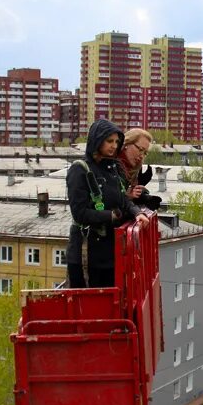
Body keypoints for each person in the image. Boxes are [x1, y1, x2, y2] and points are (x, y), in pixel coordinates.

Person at [66, 120, 138, 289]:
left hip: (109, 253)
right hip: (87, 253)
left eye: (117, 142)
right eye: (109, 141)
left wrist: (136, 213)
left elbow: (122, 200)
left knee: (111, 298)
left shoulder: (111, 169)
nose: (114, 146)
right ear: (97, 140)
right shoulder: (80, 170)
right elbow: (80, 213)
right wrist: (111, 216)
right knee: (91, 304)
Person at [118, 128, 162, 211]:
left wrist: (139, 195)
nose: (142, 156)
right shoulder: (109, 166)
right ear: (126, 144)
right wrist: (126, 197)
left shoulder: (133, 170)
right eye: (140, 149)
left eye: (145, 153)